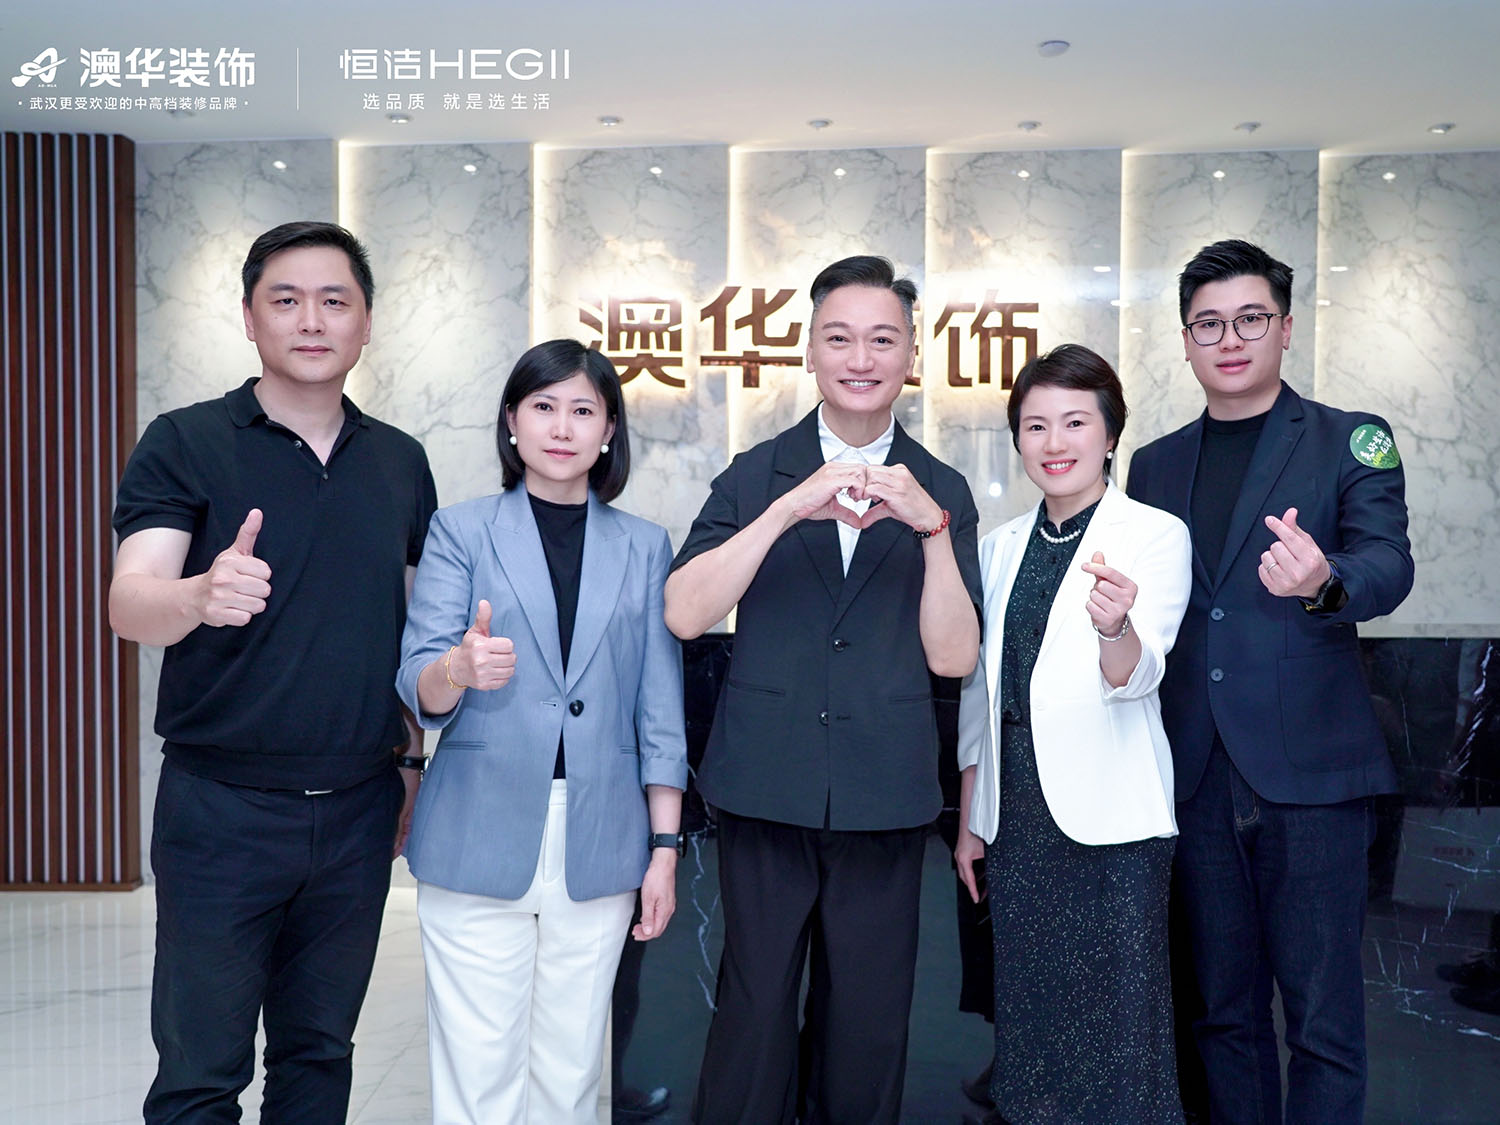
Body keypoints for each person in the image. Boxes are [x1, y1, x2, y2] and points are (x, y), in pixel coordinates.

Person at [109, 221, 438, 1123]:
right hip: (221, 809)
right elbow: (129, 602)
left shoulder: (400, 460)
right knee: (201, 1071)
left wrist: (410, 763)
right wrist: (199, 594)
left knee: (319, 1055)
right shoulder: (186, 440)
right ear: (251, 319)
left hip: (359, 805)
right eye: (286, 300)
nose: (312, 320)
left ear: (366, 323)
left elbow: (410, 631)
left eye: (335, 300)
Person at [666, 255, 981, 1124]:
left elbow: (955, 656)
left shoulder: (941, 488)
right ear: (809, 350)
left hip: (885, 788)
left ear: (911, 354)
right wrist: (785, 510)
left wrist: (931, 530)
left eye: (882, 339)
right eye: (839, 338)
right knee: (754, 1009)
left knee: (868, 1024)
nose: (860, 358)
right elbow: (685, 611)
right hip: (765, 782)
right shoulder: (757, 470)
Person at [1126, 239, 1414, 1123]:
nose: (1230, 339)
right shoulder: (1154, 464)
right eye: (1208, 323)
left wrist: (1325, 580)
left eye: (1250, 318)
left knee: (1323, 1023)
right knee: (1224, 1015)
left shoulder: (1348, 437)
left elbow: (1389, 563)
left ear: (1286, 328)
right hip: (1197, 772)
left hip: (1312, 774)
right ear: (1185, 340)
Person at [396, 338, 687, 1124]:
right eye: (544, 406)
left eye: (583, 410)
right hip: (476, 828)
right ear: (511, 421)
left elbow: (659, 710)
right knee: (477, 1072)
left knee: (570, 1070)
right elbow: (417, 678)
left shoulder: (645, 545)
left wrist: (664, 849)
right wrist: (458, 667)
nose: (562, 427)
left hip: (601, 835)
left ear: (609, 430)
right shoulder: (462, 530)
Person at [953, 344, 1191, 1124]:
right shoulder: (1000, 547)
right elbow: (981, 694)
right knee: (1032, 1033)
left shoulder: (1153, 534)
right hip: (1017, 822)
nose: (1054, 442)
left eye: (1076, 422)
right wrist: (971, 816)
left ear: (1111, 434)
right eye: (1035, 425)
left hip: (1113, 824)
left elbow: (1140, 674)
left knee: (1119, 1037)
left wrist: (1116, 627)